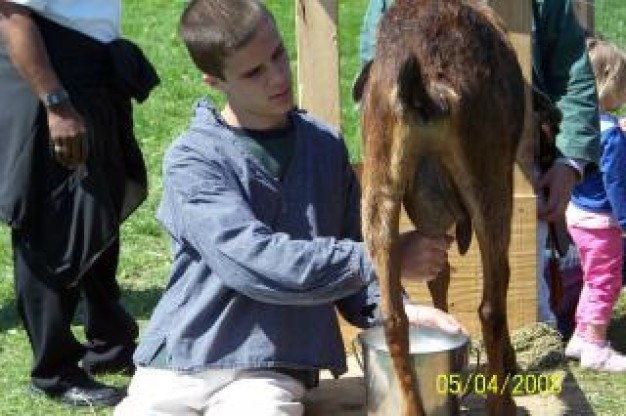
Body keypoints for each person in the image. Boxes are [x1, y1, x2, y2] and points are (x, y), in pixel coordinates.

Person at [115, 0, 464, 414]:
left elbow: (350, 253)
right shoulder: (192, 159)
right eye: (253, 72)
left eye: (278, 54)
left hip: (269, 370)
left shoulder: (325, 146)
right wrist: (385, 257)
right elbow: (253, 262)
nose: (277, 76)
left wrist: (399, 311)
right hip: (182, 360)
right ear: (214, 81)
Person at [359, 0, 600, 326]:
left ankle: (524, 348)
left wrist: (570, 161)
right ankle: (441, 352)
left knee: (531, 320)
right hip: (419, 163)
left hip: (518, 169)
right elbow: (373, 70)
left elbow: (571, 68)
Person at [0, 0, 158, 407]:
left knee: (98, 210)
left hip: (90, 70)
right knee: (53, 222)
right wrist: (56, 104)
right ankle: (53, 370)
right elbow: (13, 15)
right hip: (53, 77)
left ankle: (110, 344)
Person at [563, 37, 626, 372]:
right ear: (607, 80)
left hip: (578, 215)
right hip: (602, 221)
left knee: (592, 278)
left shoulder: (581, 126)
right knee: (606, 281)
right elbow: (616, 186)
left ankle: (581, 336)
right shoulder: (611, 135)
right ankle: (596, 348)